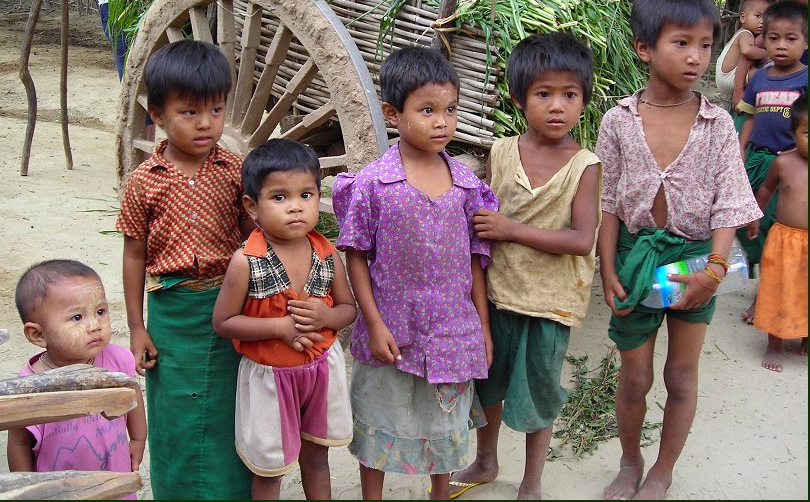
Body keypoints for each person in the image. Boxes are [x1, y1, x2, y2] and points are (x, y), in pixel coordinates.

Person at [595, 0, 762, 500]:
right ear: (644, 48)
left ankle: (662, 472)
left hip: (694, 262)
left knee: (682, 375)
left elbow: (730, 202)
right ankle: (630, 461)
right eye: (682, 43)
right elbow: (609, 203)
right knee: (635, 377)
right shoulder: (618, 121)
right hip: (636, 259)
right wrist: (607, 269)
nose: (696, 57)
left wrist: (714, 271)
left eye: (706, 45)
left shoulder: (717, 125)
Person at [332, 46, 497, 500]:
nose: (442, 122)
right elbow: (355, 254)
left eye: (450, 109)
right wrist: (374, 323)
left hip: (452, 330)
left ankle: (439, 493)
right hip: (392, 330)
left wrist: (482, 326)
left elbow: (474, 259)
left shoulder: (466, 186)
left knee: (444, 425)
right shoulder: (373, 184)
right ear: (393, 113)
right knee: (380, 417)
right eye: (427, 111)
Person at [447, 32, 602, 500]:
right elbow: (482, 218)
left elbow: (581, 240)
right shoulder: (501, 152)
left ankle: (532, 481)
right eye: (543, 94)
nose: (557, 106)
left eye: (569, 95)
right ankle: (486, 461)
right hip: (497, 296)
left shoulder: (585, 165)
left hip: (548, 306)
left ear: (583, 101)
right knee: (488, 385)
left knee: (539, 394)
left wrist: (511, 229)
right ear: (518, 98)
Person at [116, 39, 253, 499]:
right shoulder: (142, 182)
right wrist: (137, 327)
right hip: (171, 314)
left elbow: (253, 237)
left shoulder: (235, 171)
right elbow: (134, 255)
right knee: (173, 412)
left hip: (229, 310)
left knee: (229, 409)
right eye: (189, 111)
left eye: (216, 110)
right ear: (157, 114)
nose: (206, 123)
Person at [212, 138, 357, 500]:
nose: (295, 207)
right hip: (270, 380)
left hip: (321, 373)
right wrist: (279, 327)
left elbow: (348, 309)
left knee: (317, 457)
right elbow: (224, 322)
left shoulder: (327, 253)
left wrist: (326, 316)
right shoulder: (247, 261)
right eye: (279, 197)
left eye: (306, 195)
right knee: (270, 470)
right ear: (252, 206)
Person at [7, 260, 146, 499]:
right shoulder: (30, 386)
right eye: (77, 317)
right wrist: (28, 490)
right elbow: (19, 444)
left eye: (100, 312)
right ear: (37, 334)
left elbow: (132, 399)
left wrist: (137, 439)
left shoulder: (118, 359)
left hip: (115, 479)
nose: (95, 326)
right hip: (60, 491)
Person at [735, 0, 808, 322]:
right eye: (773, 37)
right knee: (746, 221)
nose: (781, 45)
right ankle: (761, 274)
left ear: (806, 42)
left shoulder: (805, 79)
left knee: (778, 231)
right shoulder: (761, 78)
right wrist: (741, 148)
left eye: (791, 38)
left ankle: (765, 295)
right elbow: (750, 117)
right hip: (758, 160)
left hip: (791, 167)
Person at [747, 90, 808, 371]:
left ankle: (805, 338)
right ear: (793, 133)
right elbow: (765, 191)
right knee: (779, 290)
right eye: (807, 133)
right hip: (785, 240)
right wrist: (754, 218)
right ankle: (774, 345)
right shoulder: (783, 162)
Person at [714, 0, 769, 113]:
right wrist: (764, 54)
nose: (762, 21)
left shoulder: (742, 33)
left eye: (766, 17)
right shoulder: (745, 34)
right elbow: (747, 51)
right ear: (743, 18)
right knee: (759, 74)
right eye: (758, 16)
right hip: (730, 77)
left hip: (724, 78)